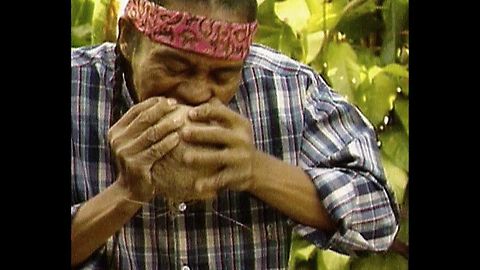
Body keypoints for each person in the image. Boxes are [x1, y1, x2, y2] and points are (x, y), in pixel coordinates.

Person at [71, 0, 400, 269]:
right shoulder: (77, 89)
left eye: (223, 74)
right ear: (127, 38)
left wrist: (257, 171)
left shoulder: (288, 91)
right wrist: (124, 193)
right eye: (175, 68)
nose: (199, 93)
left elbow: (379, 218)